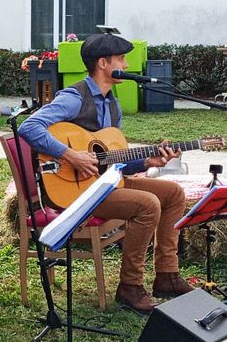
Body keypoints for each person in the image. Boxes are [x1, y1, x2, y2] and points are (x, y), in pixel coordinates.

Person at [19, 33, 193, 315]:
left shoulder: (112, 104)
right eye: (121, 59)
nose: (126, 64)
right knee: (147, 204)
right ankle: (130, 287)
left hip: (104, 182)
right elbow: (30, 127)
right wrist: (70, 154)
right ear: (103, 63)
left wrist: (150, 160)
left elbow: (114, 162)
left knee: (173, 193)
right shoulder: (74, 97)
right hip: (77, 191)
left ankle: (167, 275)